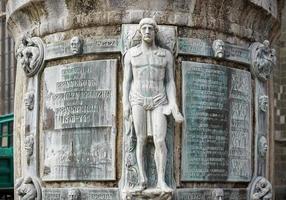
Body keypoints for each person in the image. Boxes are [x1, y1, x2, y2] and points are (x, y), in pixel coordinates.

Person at [123, 18, 183, 192]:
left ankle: (161, 181)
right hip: (138, 99)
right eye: (144, 28)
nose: (147, 31)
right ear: (140, 32)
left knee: (159, 140)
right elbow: (126, 82)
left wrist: (174, 105)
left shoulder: (165, 55)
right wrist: (125, 103)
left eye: (150, 28)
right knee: (140, 139)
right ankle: (142, 178)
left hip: (159, 99)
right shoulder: (131, 55)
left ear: (155, 32)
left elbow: (170, 81)